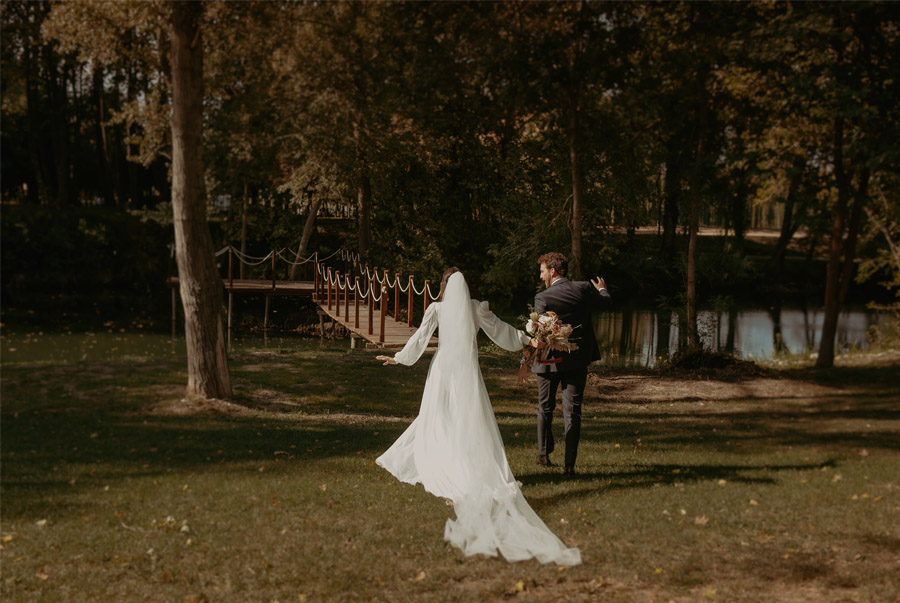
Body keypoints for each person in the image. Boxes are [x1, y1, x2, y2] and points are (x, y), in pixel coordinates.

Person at [375, 268, 581, 566]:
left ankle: (446, 466)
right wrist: (527, 339)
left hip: (444, 369)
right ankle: (463, 468)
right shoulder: (475, 308)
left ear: (444, 287)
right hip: (467, 372)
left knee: (442, 418)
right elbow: (500, 331)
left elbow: (421, 337)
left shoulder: (437, 307)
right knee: (468, 420)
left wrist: (400, 357)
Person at [532, 252, 611, 476]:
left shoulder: (542, 297)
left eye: (542, 271)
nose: (541, 276)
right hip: (577, 360)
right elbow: (605, 304)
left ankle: (544, 454)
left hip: (548, 360)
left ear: (553, 271)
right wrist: (602, 289)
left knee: (545, 407)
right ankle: (569, 465)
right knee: (573, 412)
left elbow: (538, 330)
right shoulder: (584, 288)